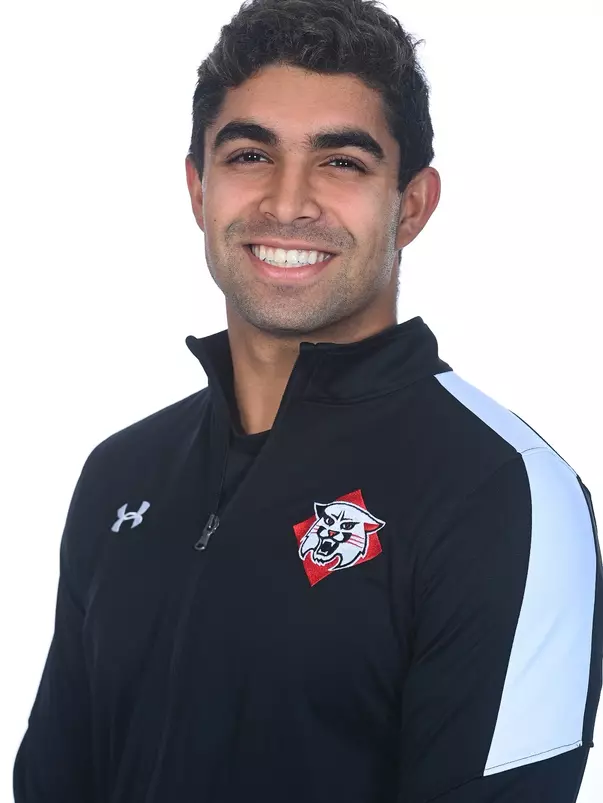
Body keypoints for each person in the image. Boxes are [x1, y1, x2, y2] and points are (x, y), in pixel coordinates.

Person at [13, 0, 602, 801]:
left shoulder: (502, 490)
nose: (287, 203)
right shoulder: (121, 473)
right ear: (197, 188)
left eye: (342, 162)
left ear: (412, 204)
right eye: (250, 153)